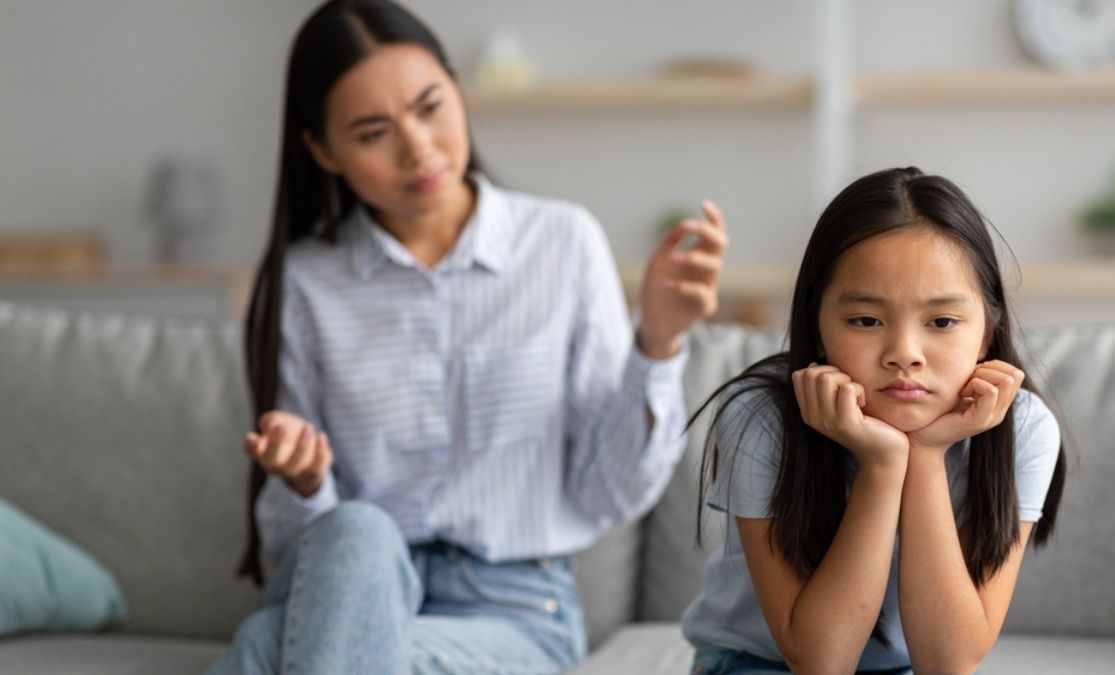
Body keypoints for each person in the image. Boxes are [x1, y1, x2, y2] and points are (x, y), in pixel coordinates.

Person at [205, 1, 727, 673]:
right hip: (346, 579)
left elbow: (610, 493)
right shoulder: (304, 286)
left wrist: (657, 343)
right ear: (322, 150)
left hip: (512, 610)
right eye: (372, 132)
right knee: (359, 530)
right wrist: (306, 483)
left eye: (431, 107)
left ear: (457, 89)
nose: (418, 147)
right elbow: (293, 544)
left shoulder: (562, 243)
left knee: (258, 652)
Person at [681, 167, 1066, 675]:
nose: (904, 354)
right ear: (816, 328)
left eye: (942, 322)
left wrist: (925, 456)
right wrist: (882, 466)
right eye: (865, 320)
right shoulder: (762, 418)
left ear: (988, 331)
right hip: (755, 662)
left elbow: (947, 663)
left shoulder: (1023, 429)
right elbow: (819, 661)